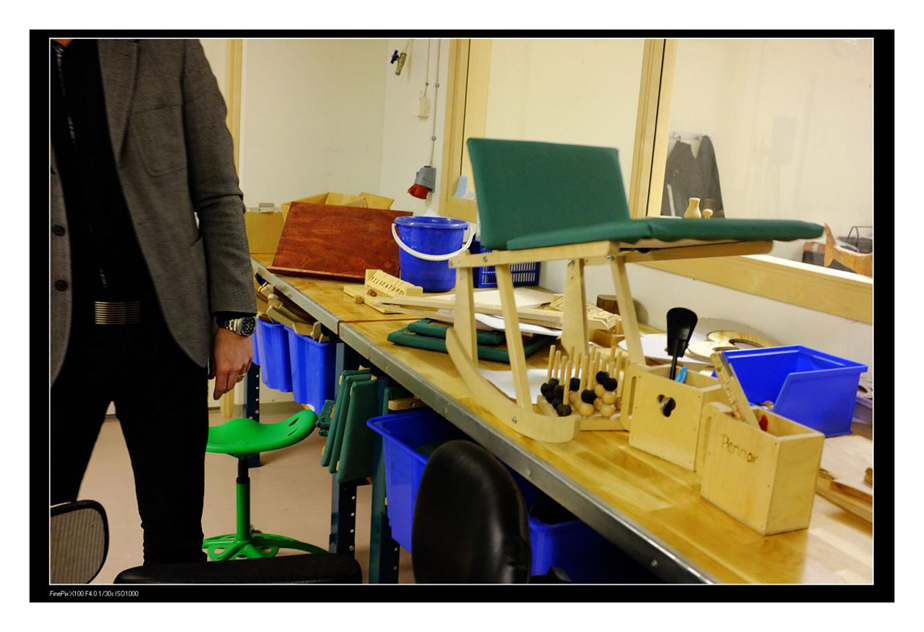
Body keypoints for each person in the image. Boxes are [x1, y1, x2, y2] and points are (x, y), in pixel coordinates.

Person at [50, 38, 257, 564]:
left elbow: (219, 193)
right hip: (51, 339)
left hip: (166, 332)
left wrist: (235, 321)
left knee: (175, 536)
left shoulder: (169, 45)